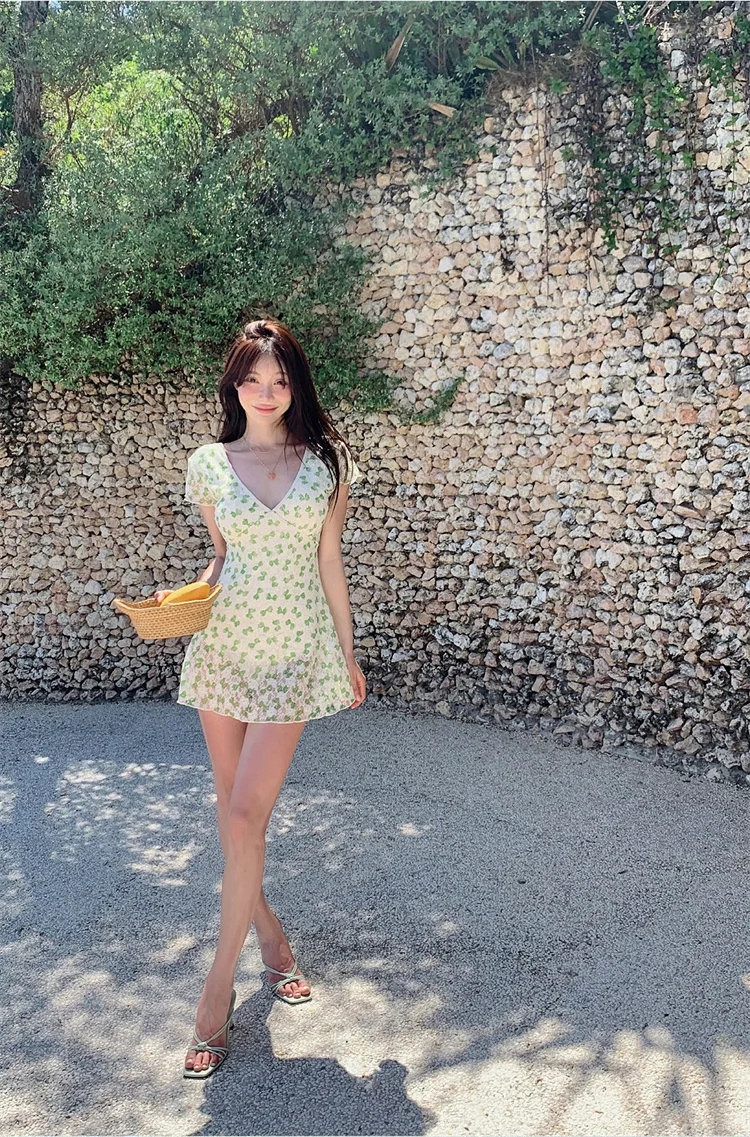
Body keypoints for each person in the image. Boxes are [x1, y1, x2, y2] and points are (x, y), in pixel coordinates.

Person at [154, 318, 366, 1079]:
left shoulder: (327, 463)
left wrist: (347, 651)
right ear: (235, 386)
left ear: (294, 385)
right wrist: (187, 595)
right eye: (253, 379)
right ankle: (273, 942)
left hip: (296, 657)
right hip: (223, 651)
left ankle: (216, 994)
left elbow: (330, 561)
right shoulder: (209, 464)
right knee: (233, 816)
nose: (266, 392)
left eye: (279, 380)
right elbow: (221, 556)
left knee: (245, 816)